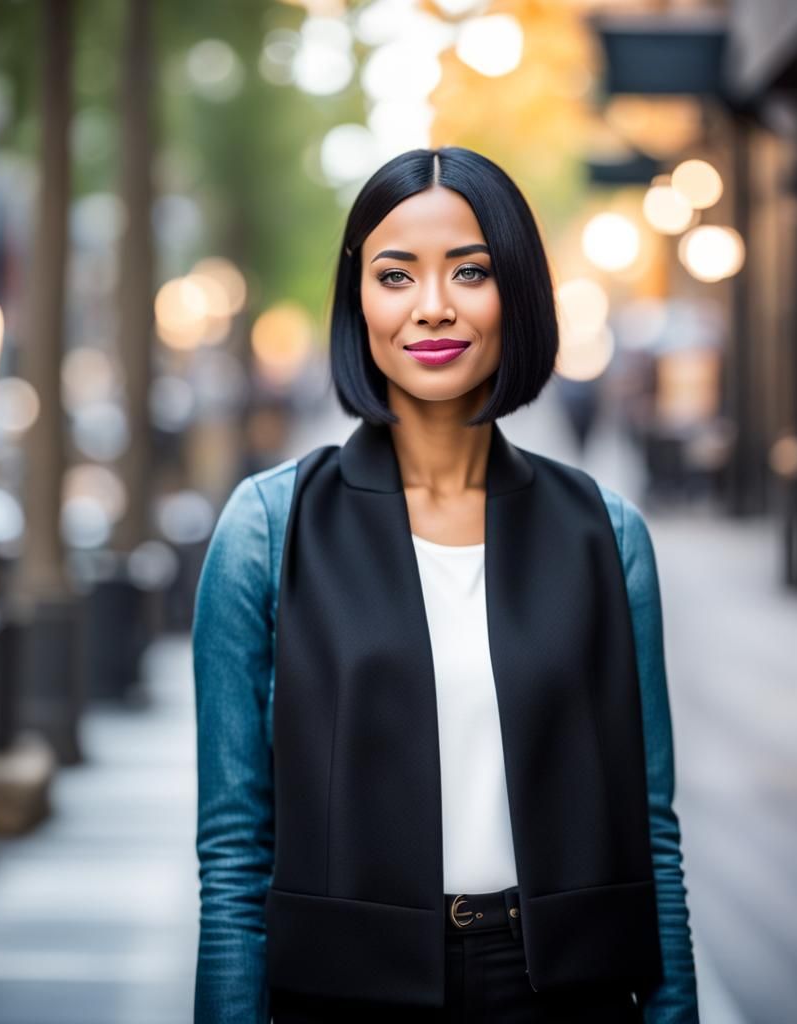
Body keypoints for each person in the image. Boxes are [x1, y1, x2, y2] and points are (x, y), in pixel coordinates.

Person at [193, 147, 700, 1023]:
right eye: (397, 275)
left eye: (471, 272)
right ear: (359, 298)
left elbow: (651, 834)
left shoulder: (604, 534)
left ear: (521, 295)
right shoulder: (269, 530)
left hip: (563, 994)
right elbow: (235, 854)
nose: (433, 306)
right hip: (346, 995)